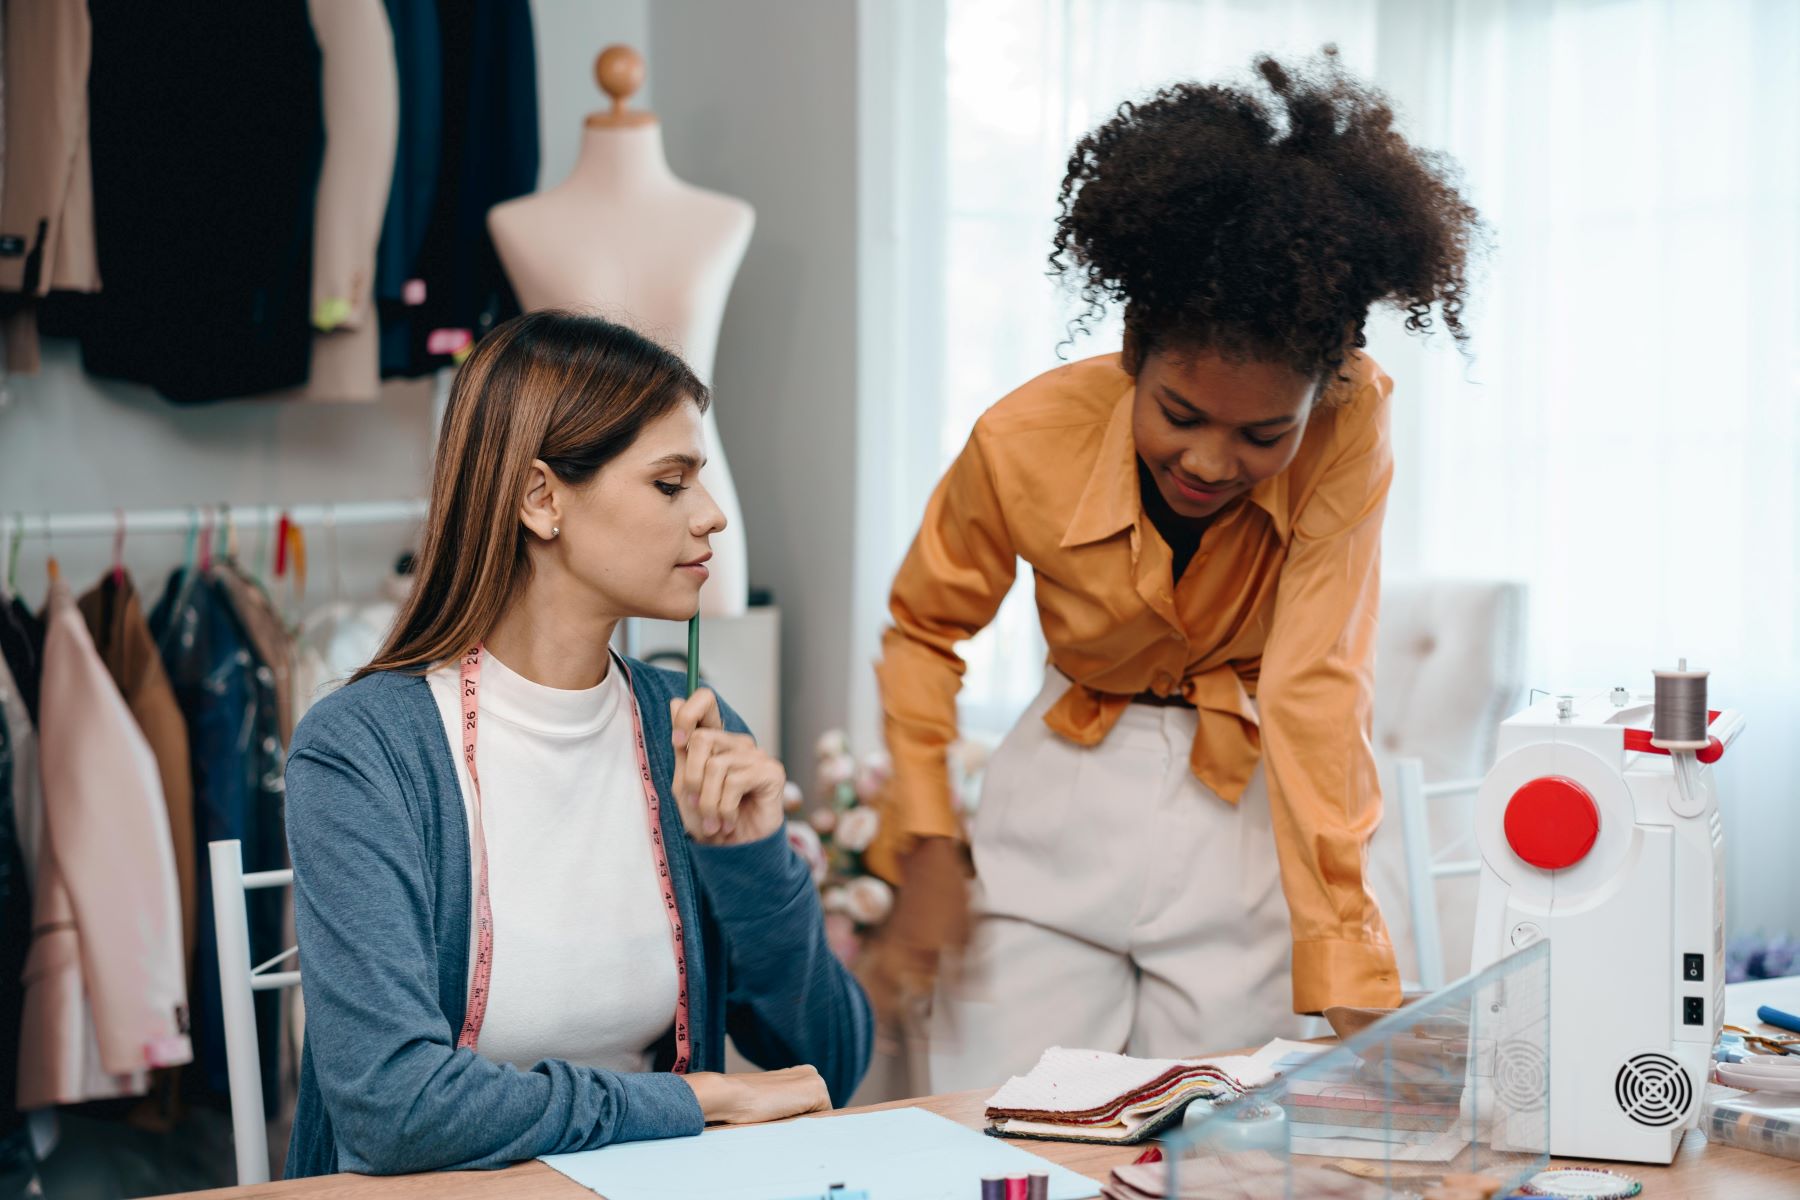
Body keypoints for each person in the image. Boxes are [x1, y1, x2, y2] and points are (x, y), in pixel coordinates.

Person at [863, 49, 1482, 1091]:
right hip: (1056, 813)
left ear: (1318, 395)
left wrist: (1345, 944)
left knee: (1224, 1141)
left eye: (1260, 434)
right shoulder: (1020, 440)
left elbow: (1316, 676)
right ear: (1132, 351)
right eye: (1180, 415)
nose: (1208, 462)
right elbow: (925, 631)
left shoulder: (1351, 419)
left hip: (1241, 823)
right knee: (1008, 1129)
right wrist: (925, 838)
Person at [283, 310, 872, 1175]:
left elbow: (831, 1065)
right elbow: (391, 1106)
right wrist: (689, 1102)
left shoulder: (691, 730)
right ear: (540, 498)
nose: (711, 516)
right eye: (671, 483)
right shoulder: (363, 751)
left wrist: (753, 864)